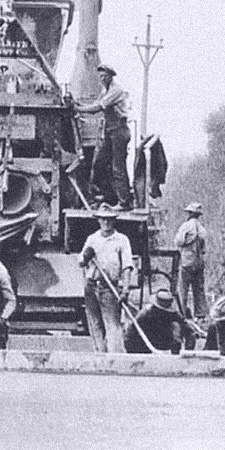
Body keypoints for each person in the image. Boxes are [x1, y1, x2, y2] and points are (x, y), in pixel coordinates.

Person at [73, 64, 132, 211]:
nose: (101, 79)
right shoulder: (105, 91)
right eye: (99, 76)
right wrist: (76, 104)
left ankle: (124, 202)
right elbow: (94, 103)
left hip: (119, 131)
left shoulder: (116, 90)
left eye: (104, 76)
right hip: (109, 132)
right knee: (99, 164)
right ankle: (110, 197)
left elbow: (98, 107)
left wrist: (79, 109)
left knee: (118, 167)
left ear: (110, 76)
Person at [79, 203, 134, 353]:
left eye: (109, 219)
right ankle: (100, 357)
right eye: (103, 219)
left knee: (112, 325)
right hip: (91, 285)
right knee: (95, 324)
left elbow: (127, 266)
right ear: (98, 220)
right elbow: (81, 262)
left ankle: (114, 360)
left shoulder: (121, 240)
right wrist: (86, 256)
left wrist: (126, 289)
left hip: (109, 287)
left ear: (114, 220)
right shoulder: (92, 239)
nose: (106, 222)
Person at [124, 289, 194, 354]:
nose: (163, 313)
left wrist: (188, 351)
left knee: (176, 327)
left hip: (162, 342)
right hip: (144, 344)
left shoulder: (173, 314)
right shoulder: (145, 314)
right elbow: (130, 335)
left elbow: (189, 330)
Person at [175, 202, 207, 321]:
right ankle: (200, 315)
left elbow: (179, 241)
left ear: (190, 213)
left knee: (183, 288)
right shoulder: (202, 229)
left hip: (187, 261)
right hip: (199, 262)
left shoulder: (186, 226)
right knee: (199, 288)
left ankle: (181, 313)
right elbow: (204, 249)